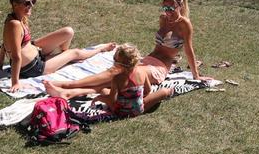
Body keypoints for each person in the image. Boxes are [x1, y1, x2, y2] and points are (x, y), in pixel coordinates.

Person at [42, 0, 211, 93]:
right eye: (164, 8)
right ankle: (68, 90)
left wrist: (195, 75)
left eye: (170, 8)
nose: (166, 12)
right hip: (147, 59)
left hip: (159, 68)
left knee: (120, 77)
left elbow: (189, 49)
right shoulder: (163, 19)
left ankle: (67, 86)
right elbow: (158, 45)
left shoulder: (184, 24)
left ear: (180, 6)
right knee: (116, 72)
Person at [0, 0, 115, 92]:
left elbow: (5, 44)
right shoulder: (14, 24)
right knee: (75, 53)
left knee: (68, 32)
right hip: (34, 68)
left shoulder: (17, 18)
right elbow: (15, 56)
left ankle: (62, 56)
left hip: (36, 50)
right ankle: (101, 48)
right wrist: (15, 82)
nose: (31, 6)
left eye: (33, 2)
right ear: (15, 4)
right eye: (27, 3)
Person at [43, 44, 173, 116]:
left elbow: (112, 99)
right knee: (165, 91)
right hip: (138, 109)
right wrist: (135, 97)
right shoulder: (142, 72)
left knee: (105, 90)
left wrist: (99, 98)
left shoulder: (117, 78)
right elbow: (148, 90)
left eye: (114, 60)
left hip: (120, 111)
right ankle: (69, 91)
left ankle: (68, 88)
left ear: (119, 63)